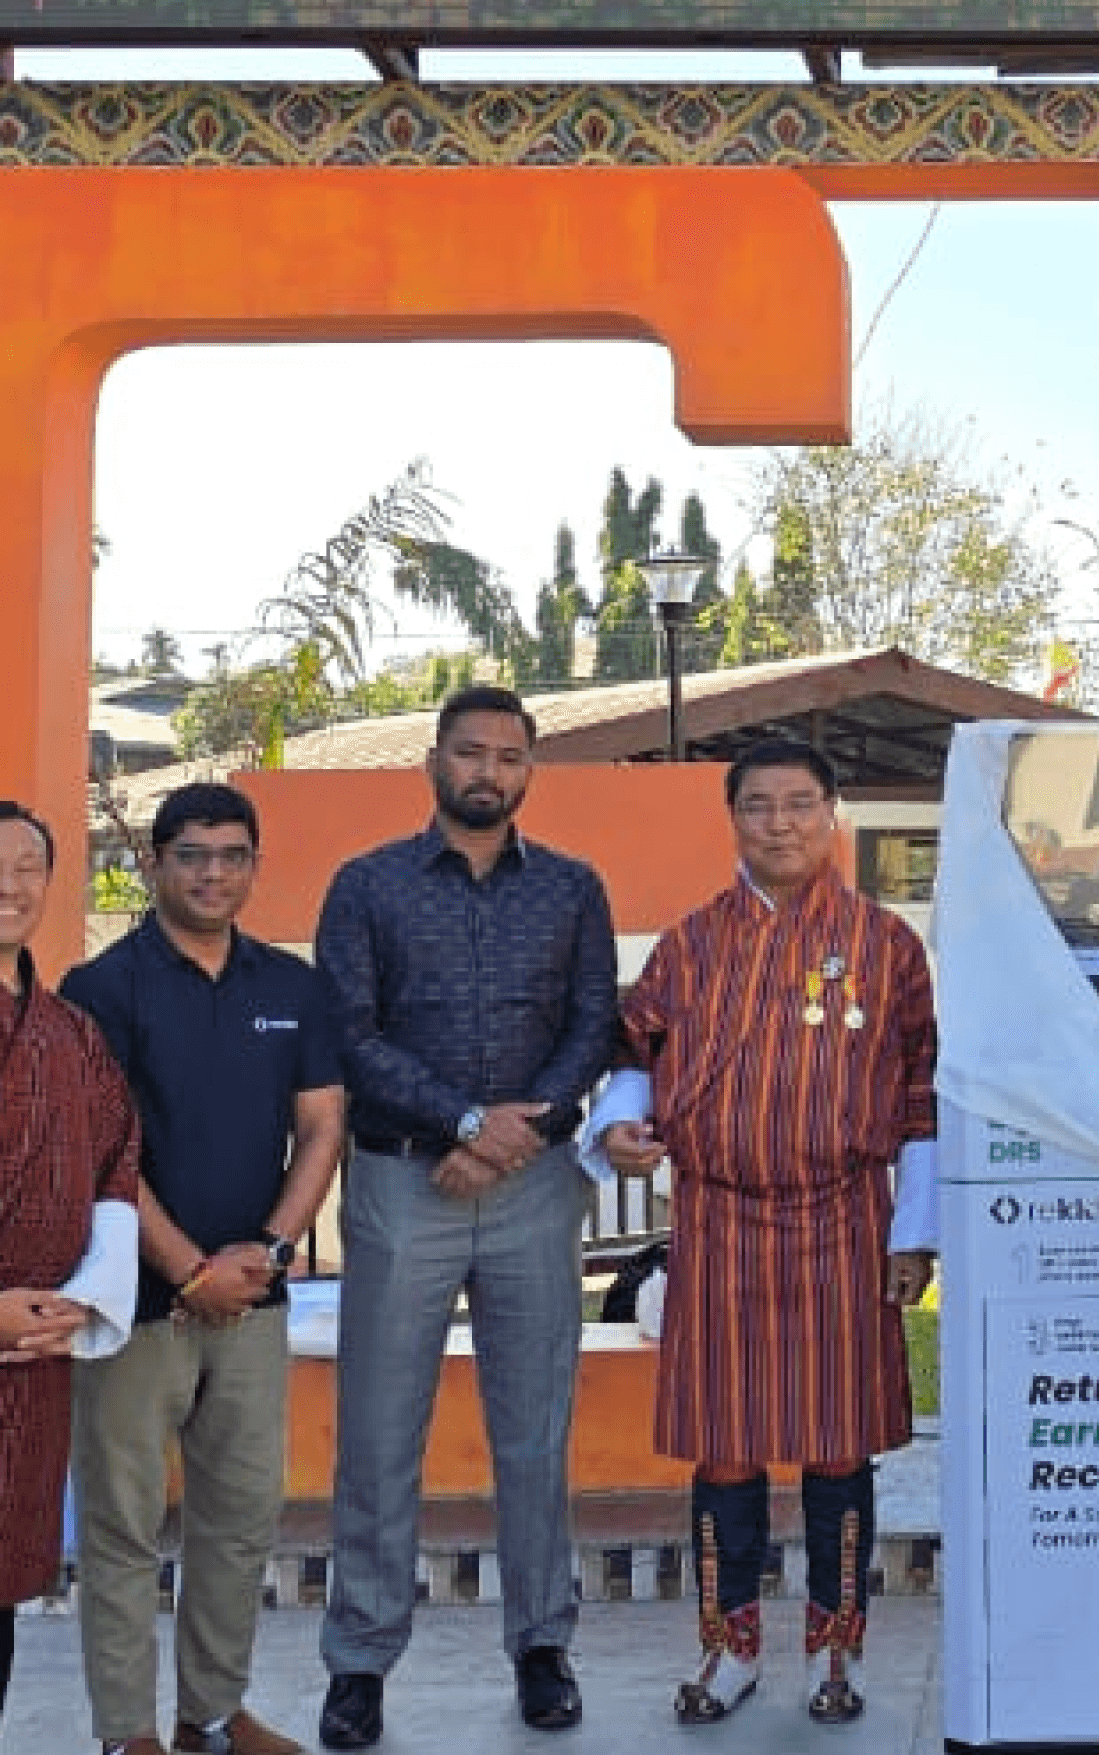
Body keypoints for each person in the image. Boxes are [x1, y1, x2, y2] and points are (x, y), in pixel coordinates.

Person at [586, 736, 937, 1727]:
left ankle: (838, 1652)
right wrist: (621, 1121)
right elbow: (632, 1045)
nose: (778, 822)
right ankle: (727, 1645)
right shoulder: (691, 942)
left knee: (837, 1453)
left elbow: (920, 1093)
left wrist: (913, 1232)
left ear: (833, 814)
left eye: (797, 803)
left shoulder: (885, 946)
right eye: (757, 805)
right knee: (726, 1453)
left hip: (845, 1218)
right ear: (732, 817)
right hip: (719, 1219)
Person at [313, 687, 620, 1749]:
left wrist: (516, 1134)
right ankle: (358, 1659)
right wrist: (460, 1119)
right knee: (378, 1430)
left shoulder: (574, 890)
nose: (487, 769)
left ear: (529, 770)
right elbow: (348, 1033)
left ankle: (541, 1643)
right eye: (469, 750)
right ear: (433, 760)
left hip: (532, 1186)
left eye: (508, 754)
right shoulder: (366, 886)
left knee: (533, 1429)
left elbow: (593, 1022)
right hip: (407, 1183)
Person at [62, 782, 347, 1755]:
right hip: (138, 1302)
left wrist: (265, 1252)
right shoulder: (101, 989)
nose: (213, 871)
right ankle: (123, 1731)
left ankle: (212, 1715)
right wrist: (188, 1268)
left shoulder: (291, 987)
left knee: (238, 1522)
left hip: (253, 1301)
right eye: (192, 854)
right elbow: (102, 1150)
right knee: (123, 1528)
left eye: (232, 854)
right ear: (155, 861)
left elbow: (321, 1125)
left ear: (253, 864)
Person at [0, 801, 141, 1755]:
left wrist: (81, 1300)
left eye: (26, 868)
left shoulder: (72, 1031)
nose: (6, 886)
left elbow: (117, 1168)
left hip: (33, 1350)